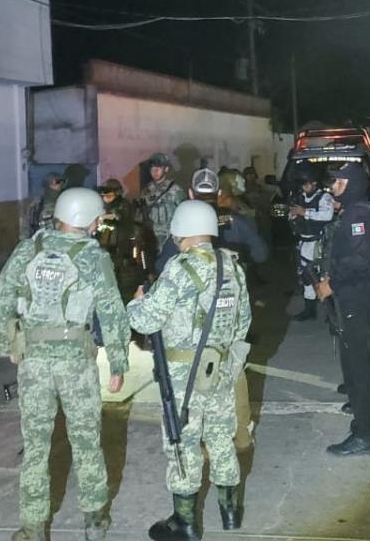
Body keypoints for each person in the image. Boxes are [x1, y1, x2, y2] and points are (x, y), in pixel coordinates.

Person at [0, 188, 131, 541]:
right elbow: (111, 312)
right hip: (76, 366)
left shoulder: (27, 251)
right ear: (86, 219)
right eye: (98, 218)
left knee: (36, 447)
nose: (100, 225)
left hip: (34, 364)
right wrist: (117, 361)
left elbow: (1, 298)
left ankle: (33, 528)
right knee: (86, 442)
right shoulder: (93, 258)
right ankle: (95, 521)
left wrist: (8, 344)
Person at [128, 200, 252, 539]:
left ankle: (185, 523)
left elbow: (144, 319)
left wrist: (138, 299)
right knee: (221, 439)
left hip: (184, 377)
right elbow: (243, 322)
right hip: (222, 369)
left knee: (183, 443)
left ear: (180, 230)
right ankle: (230, 513)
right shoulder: (232, 266)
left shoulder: (180, 268)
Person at [155, 167, 268, 452]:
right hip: (228, 312)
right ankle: (241, 433)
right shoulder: (236, 222)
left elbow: (160, 267)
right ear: (219, 195)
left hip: (193, 323)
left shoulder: (185, 228)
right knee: (232, 369)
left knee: (191, 376)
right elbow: (262, 254)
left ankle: (197, 437)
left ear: (191, 194)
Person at [315, 162, 370, 456]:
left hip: (355, 298)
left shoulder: (358, 215)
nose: (334, 189)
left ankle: (363, 434)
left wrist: (331, 286)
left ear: (353, 184)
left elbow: (357, 262)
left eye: (340, 183)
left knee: (356, 366)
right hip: (360, 296)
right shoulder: (355, 211)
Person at [288, 164, 335, 320]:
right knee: (306, 276)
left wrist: (304, 212)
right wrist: (293, 216)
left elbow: (327, 215)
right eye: (302, 184)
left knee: (323, 276)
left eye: (306, 183)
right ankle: (309, 309)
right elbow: (293, 216)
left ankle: (332, 311)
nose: (304, 187)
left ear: (314, 183)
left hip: (320, 243)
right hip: (304, 242)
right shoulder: (300, 198)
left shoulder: (324, 197)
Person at [96, 178, 138, 303]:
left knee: (120, 279)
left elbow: (118, 216)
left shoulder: (124, 204)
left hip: (120, 247)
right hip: (105, 245)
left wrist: (103, 217)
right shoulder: (105, 205)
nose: (106, 196)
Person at [141, 152, 184, 252]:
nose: (155, 171)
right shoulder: (146, 191)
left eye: (159, 168)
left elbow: (183, 216)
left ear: (166, 169)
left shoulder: (175, 190)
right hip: (150, 240)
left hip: (169, 240)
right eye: (152, 168)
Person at [24, 172, 64, 238]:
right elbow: (27, 222)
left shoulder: (63, 200)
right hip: (40, 237)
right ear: (47, 184)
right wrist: (25, 238)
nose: (58, 185)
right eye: (53, 183)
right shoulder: (37, 202)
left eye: (59, 182)